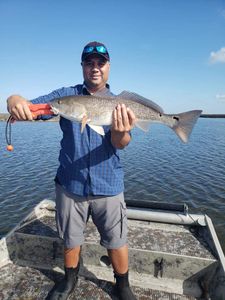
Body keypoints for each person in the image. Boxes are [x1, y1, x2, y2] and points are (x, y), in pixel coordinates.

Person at [7, 41, 137, 300]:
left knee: (116, 239)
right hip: (69, 184)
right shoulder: (65, 97)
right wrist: (15, 100)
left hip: (109, 183)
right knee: (70, 237)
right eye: (89, 63)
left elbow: (121, 143)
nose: (95, 68)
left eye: (101, 63)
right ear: (82, 67)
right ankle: (69, 280)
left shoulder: (119, 103)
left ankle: (123, 285)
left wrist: (121, 131)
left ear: (108, 67)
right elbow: (31, 107)